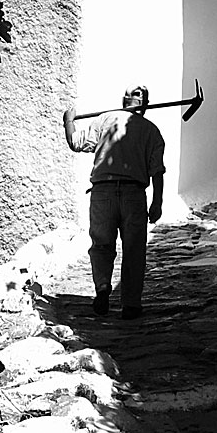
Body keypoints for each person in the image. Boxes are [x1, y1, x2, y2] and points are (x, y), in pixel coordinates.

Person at [63, 84, 165, 320]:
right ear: (146, 105)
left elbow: (75, 143)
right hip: (133, 194)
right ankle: (130, 304)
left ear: (123, 100)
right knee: (134, 250)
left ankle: (101, 287)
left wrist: (68, 121)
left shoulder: (104, 120)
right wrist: (157, 202)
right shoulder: (151, 130)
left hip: (103, 192)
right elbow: (157, 171)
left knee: (101, 245)